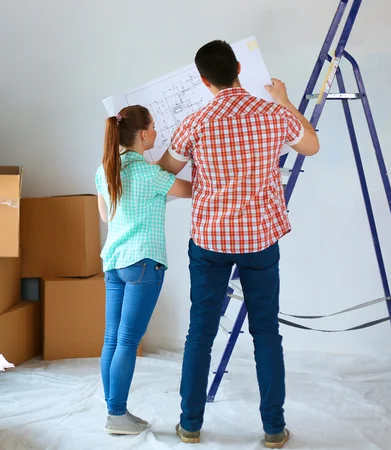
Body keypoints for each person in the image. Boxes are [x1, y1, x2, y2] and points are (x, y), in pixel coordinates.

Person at [158, 40, 320, 448]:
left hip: (209, 239)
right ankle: (273, 430)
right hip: (260, 240)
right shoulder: (271, 114)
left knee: (200, 333)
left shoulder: (195, 122)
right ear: (238, 68)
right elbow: (311, 145)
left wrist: (206, 189)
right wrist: (284, 100)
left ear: (202, 79)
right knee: (266, 333)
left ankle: (190, 425)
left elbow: (164, 174)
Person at [96, 105, 192, 435]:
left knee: (113, 339)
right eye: (154, 127)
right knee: (127, 341)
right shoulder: (150, 174)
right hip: (143, 264)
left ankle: (114, 411)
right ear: (142, 134)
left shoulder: (104, 170)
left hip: (114, 263)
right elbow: (193, 191)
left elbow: (108, 216)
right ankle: (117, 415)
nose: (156, 132)